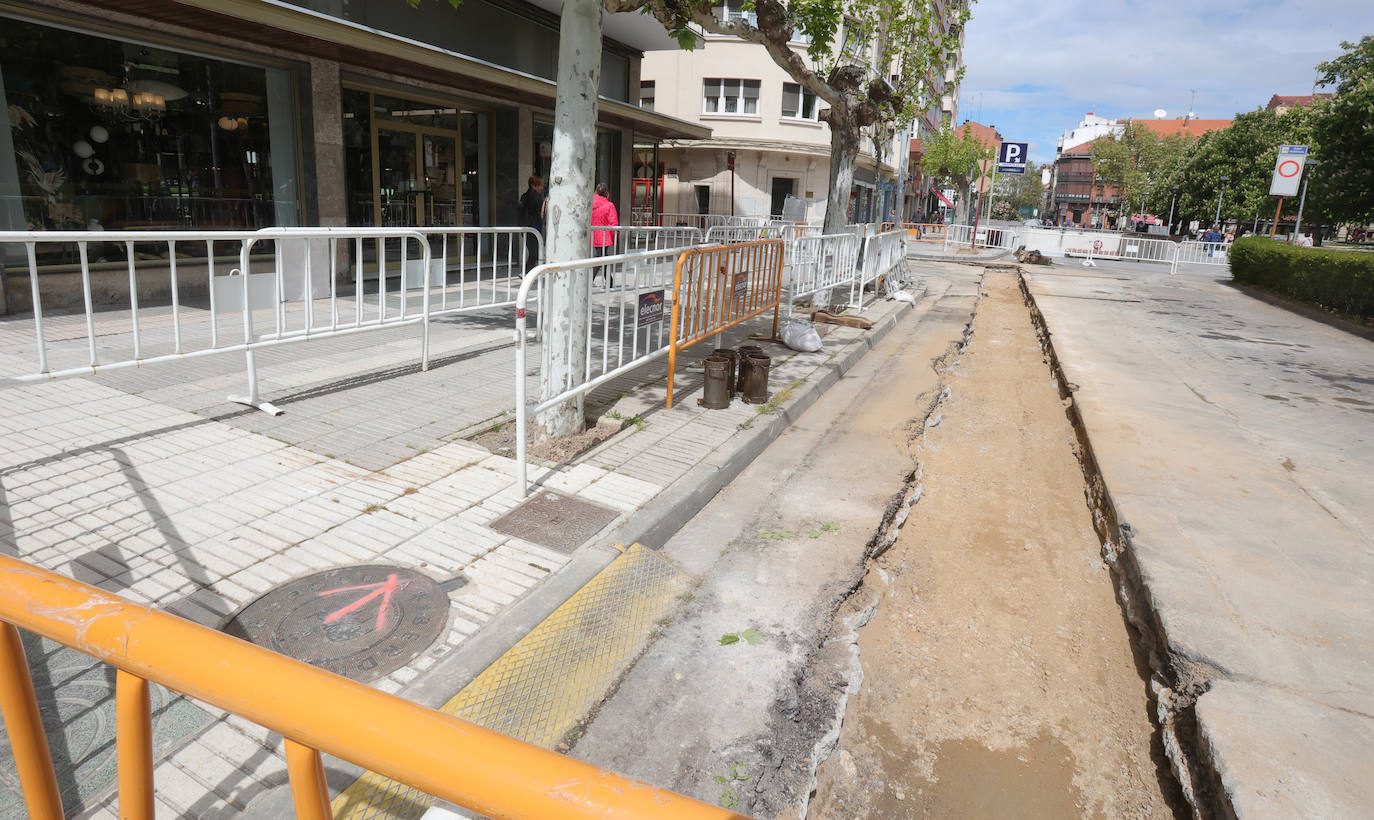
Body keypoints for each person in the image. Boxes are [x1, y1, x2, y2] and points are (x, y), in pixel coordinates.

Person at [591, 182, 619, 287]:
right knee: (600, 258)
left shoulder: (591, 204)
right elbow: (613, 223)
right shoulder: (609, 205)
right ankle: (590, 280)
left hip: (594, 235)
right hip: (604, 236)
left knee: (602, 257)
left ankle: (610, 282)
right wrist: (614, 237)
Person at [517, 175, 545, 274]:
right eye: (540, 185)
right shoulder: (536, 197)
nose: (541, 188)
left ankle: (527, 272)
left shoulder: (524, 196)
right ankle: (526, 272)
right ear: (533, 185)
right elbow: (537, 213)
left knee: (534, 251)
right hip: (533, 227)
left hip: (526, 227)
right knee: (535, 252)